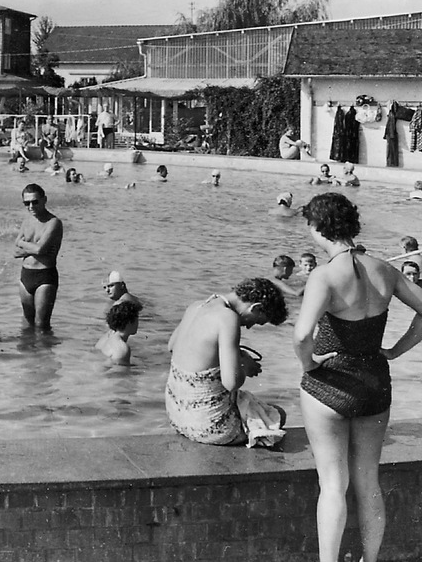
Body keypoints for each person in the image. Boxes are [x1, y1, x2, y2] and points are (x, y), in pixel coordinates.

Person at [295, 192, 422, 562]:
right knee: (369, 483)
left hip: (330, 384)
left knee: (333, 485)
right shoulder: (385, 269)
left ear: (319, 228)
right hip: (374, 383)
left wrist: (308, 364)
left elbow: (302, 335)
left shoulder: (325, 275)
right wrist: (397, 350)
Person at [165, 278, 288, 445]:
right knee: (277, 414)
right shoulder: (229, 318)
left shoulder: (197, 306)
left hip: (177, 417)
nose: (250, 326)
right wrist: (244, 367)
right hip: (210, 426)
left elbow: (172, 346)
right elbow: (232, 383)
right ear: (256, 307)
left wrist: (238, 354)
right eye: (257, 320)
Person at [13, 184, 63, 332]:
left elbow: (40, 248)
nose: (30, 206)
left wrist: (23, 243)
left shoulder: (53, 222)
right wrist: (33, 248)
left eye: (35, 202)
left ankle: (44, 354)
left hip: (45, 276)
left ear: (44, 200)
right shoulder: (27, 221)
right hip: (26, 274)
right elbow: (15, 252)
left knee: (42, 325)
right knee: (28, 322)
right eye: (26, 203)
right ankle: (28, 354)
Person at [96, 299, 142, 366]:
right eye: (137, 318)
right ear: (130, 322)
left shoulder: (108, 335)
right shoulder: (122, 349)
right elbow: (120, 375)